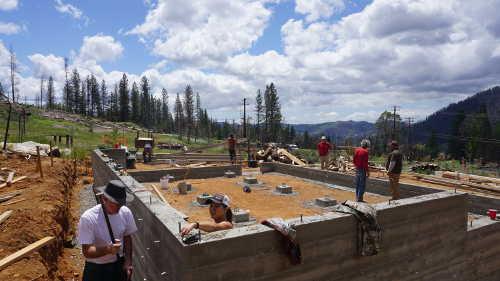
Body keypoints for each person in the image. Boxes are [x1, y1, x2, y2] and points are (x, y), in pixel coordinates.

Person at [78, 180, 137, 281]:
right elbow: (87, 251)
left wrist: (128, 262)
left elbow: (127, 237)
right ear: (104, 199)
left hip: (118, 266)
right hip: (97, 270)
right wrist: (107, 250)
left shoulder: (125, 212)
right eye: (116, 204)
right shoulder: (88, 218)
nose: (119, 208)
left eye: (121, 204)